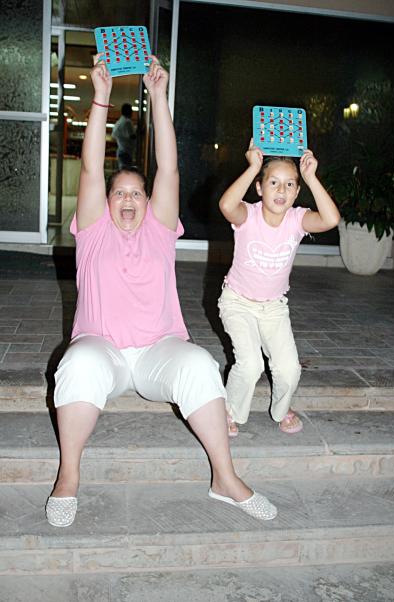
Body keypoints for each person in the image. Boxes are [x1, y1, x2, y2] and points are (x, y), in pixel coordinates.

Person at [45, 56, 277, 528]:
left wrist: (158, 95)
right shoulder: (92, 231)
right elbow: (91, 168)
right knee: (77, 363)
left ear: (149, 203)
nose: (128, 199)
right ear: (105, 202)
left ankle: (225, 478)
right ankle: (68, 475)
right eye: (119, 193)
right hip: (103, 349)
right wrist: (102, 96)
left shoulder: (158, 229)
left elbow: (168, 167)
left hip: (157, 352)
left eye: (136, 193)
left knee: (198, 363)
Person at [218, 140, 340, 437]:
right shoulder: (249, 215)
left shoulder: (297, 220)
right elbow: (225, 206)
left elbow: (331, 219)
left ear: (297, 193)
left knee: (289, 368)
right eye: (273, 182)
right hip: (237, 302)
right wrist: (253, 167)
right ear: (260, 188)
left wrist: (311, 177)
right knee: (249, 365)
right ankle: (228, 411)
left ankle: (282, 409)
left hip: (273, 307)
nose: (281, 190)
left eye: (289, 184)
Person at [112, 102, 137, 168]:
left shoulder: (119, 122)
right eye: (131, 110)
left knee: (123, 172)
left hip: (122, 151)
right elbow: (132, 136)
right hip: (126, 153)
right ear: (127, 111)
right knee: (126, 172)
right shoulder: (127, 122)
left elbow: (114, 136)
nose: (132, 112)